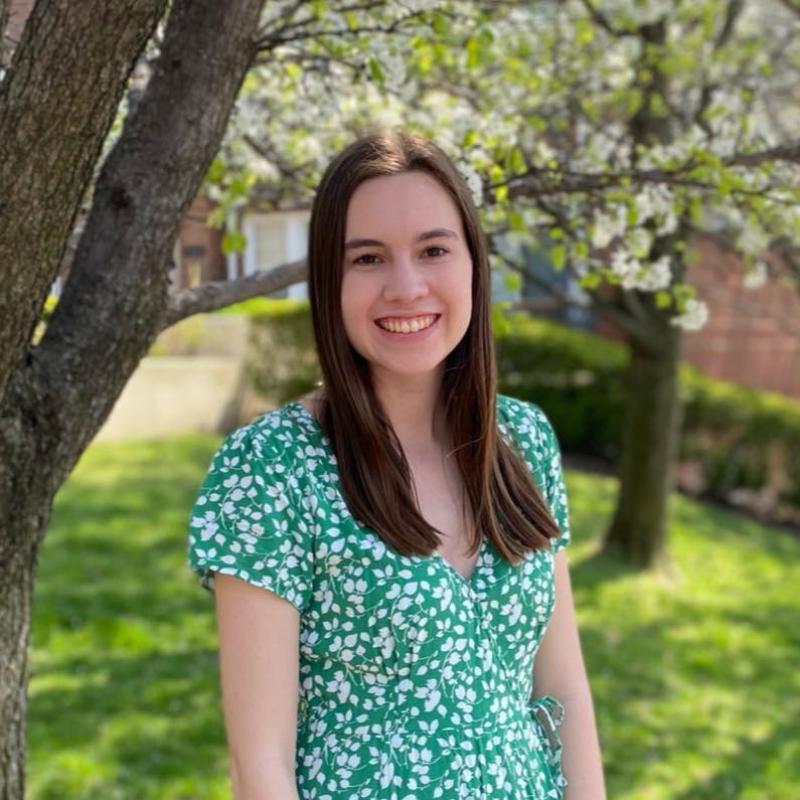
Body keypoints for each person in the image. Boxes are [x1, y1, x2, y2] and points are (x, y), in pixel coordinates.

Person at [186, 129, 606, 799]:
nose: (406, 287)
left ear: (472, 263)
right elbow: (258, 766)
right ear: (330, 280)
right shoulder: (272, 466)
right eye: (368, 259)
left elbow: (562, 689)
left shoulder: (524, 440)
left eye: (434, 250)